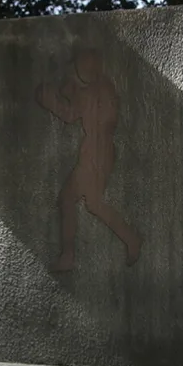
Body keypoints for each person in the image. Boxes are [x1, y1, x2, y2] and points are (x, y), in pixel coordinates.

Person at [35, 47, 142, 271]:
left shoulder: (93, 91)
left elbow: (70, 114)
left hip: (95, 151)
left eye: (81, 65)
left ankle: (71, 255)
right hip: (101, 150)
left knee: (77, 201)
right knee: (88, 202)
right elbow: (80, 103)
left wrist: (49, 100)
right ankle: (129, 240)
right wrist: (68, 92)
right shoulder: (103, 86)